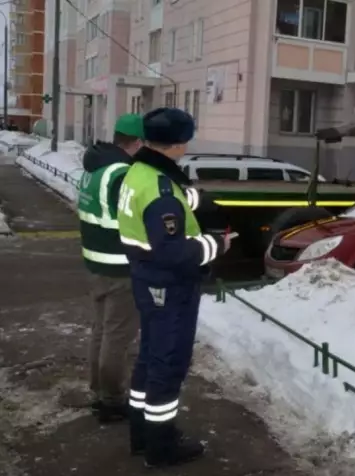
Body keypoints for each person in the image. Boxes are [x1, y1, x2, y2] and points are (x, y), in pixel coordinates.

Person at [117, 107, 232, 467]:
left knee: (150, 357)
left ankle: (141, 434)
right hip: (170, 286)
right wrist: (217, 245)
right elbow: (173, 251)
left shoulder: (139, 171)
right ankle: (161, 448)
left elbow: (170, 202)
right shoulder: (161, 188)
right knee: (168, 365)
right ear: (180, 144)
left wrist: (201, 201)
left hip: (146, 279)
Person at [77, 113, 144, 423]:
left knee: (101, 331)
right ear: (138, 142)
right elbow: (136, 220)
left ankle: (99, 390)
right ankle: (112, 401)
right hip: (120, 268)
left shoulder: (93, 169)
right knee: (117, 337)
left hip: (95, 264)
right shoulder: (121, 174)